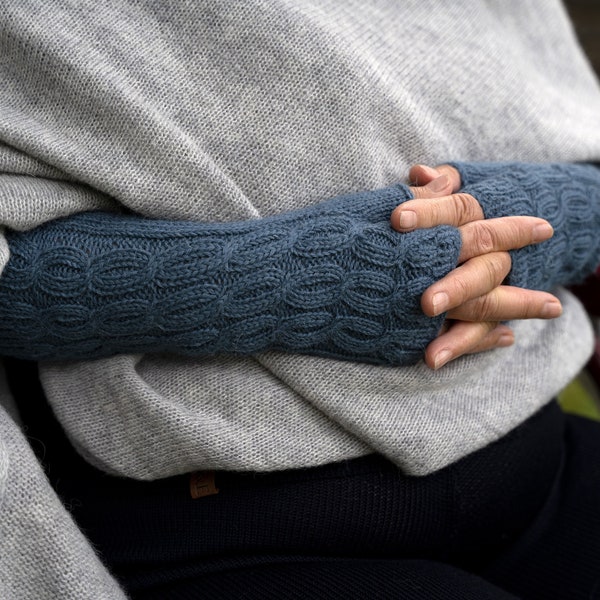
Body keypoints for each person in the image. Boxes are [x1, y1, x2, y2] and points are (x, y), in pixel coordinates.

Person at [0, 1, 599, 598]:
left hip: (531, 452)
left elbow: (580, 143)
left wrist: (539, 221)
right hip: (234, 525)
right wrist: (284, 276)